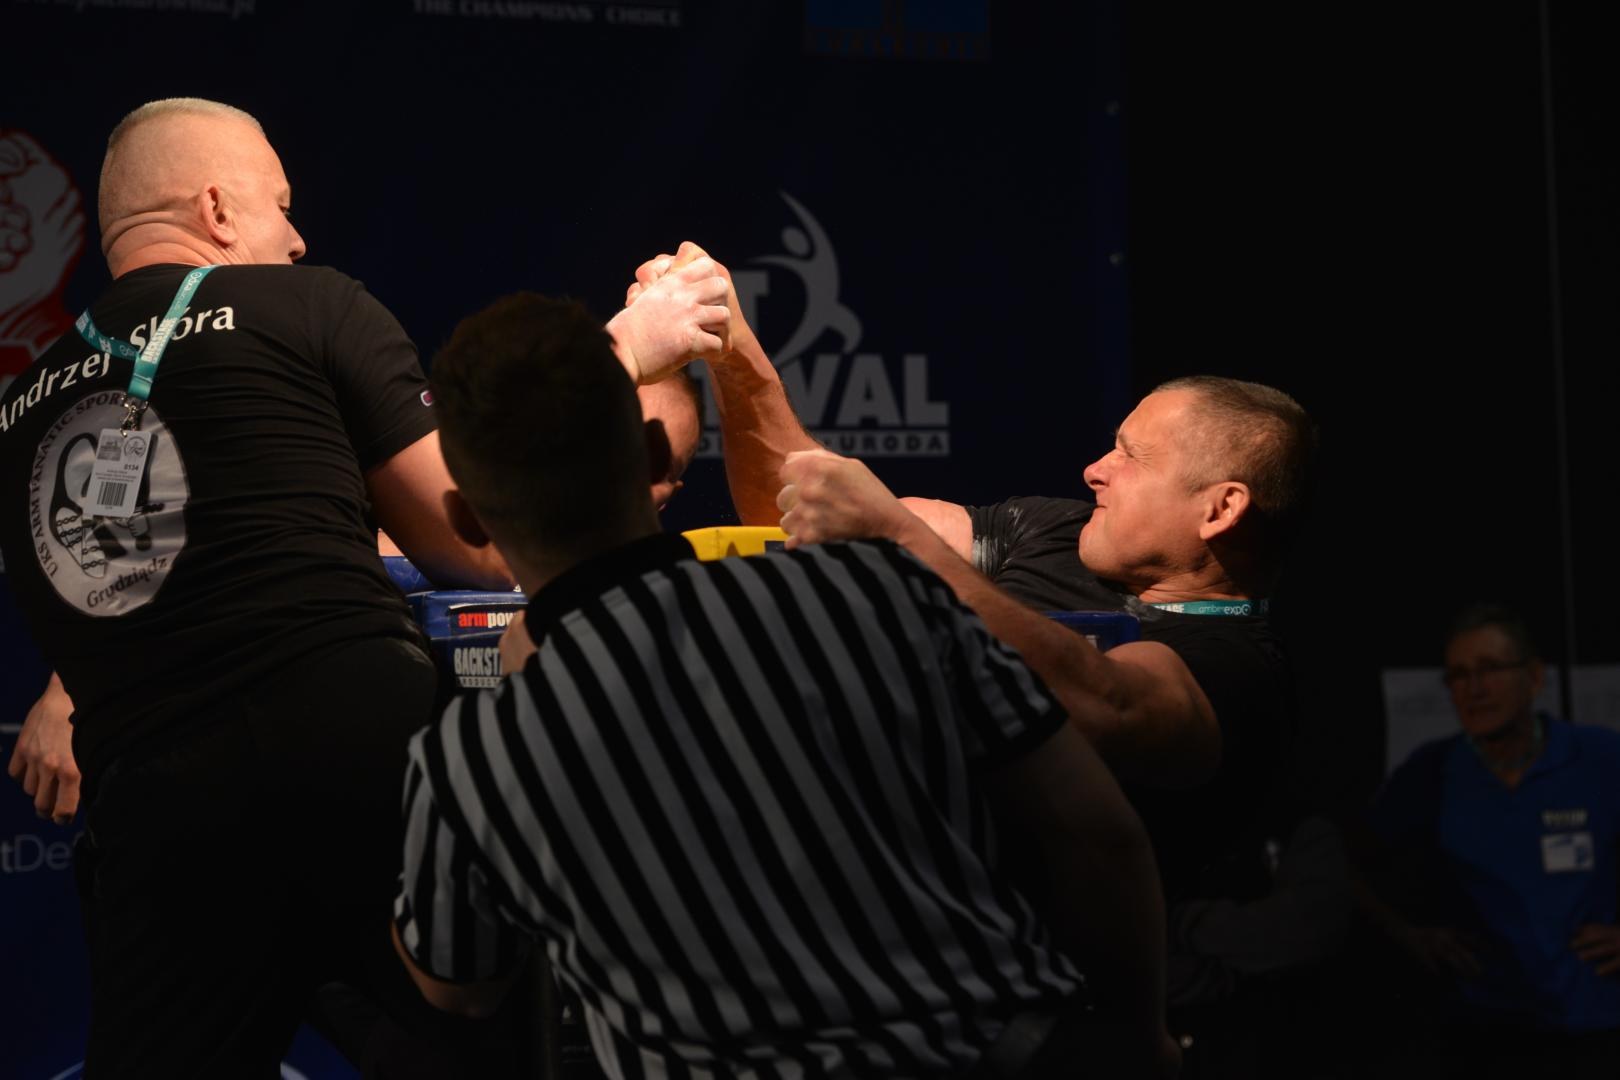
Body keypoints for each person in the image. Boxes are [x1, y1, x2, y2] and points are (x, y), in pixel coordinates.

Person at [0, 98, 724, 1076]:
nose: (297, 238)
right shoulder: (312, 306)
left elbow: (147, 574)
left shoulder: (19, 407)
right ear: (217, 209)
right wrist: (623, 347)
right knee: (507, 1043)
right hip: (354, 767)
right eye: (280, 205)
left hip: (161, 831)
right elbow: (480, 542)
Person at [391, 291, 1179, 1077]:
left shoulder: (471, 759)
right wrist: (1140, 1039)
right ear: (658, 455)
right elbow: (1096, 829)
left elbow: (459, 986)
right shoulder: (872, 592)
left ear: (465, 518)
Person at [628, 243, 1312, 907]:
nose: (1095, 469)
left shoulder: (1237, 670)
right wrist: (734, 350)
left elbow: (1109, 706)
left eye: (1132, 457)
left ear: (1220, 509)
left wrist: (899, 541)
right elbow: (805, 509)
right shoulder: (1056, 531)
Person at [1356, 604, 1620, 1077]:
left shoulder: (1599, 757)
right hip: (1484, 1031)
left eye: (1490, 669)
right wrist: (1409, 935)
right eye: (1458, 675)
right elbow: (1343, 862)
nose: (1474, 689)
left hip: (1596, 1024)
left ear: (1533, 677)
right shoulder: (1433, 771)